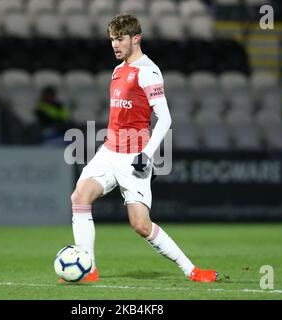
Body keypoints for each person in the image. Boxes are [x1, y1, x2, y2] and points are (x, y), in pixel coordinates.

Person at [60, 14, 218, 283]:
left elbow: (165, 118)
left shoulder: (148, 71)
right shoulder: (118, 70)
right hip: (109, 151)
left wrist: (147, 153)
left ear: (136, 38)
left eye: (120, 39)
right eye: (111, 39)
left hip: (135, 157)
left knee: (140, 225)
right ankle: (89, 270)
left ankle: (192, 270)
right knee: (80, 197)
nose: (114, 44)